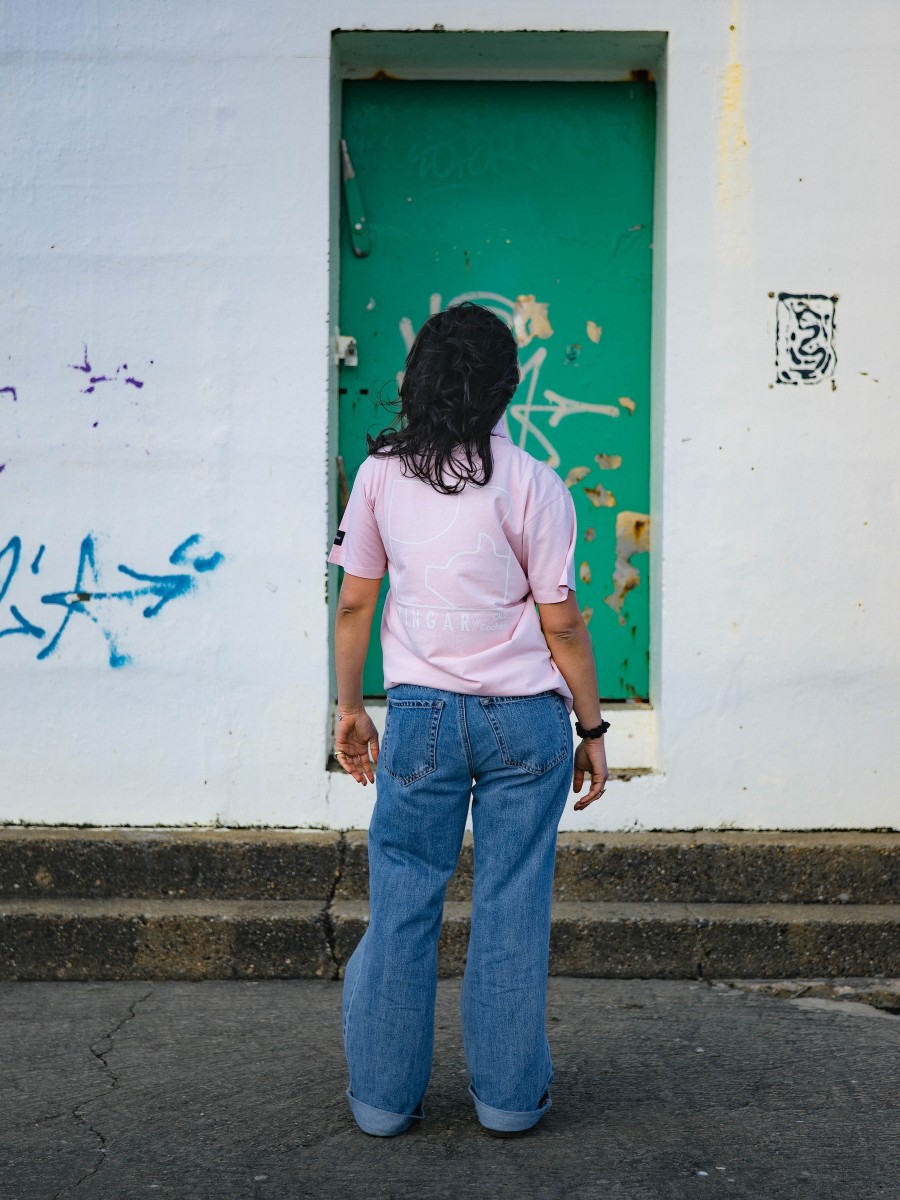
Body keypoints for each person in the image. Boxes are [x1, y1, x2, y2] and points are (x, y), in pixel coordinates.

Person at [327, 301, 609, 1139]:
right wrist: (592, 731)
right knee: (514, 905)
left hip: (420, 718)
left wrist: (350, 710)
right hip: (526, 725)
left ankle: (382, 1102)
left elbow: (353, 607)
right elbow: (563, 625)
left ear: (417, 381)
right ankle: (509, 1102)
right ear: (507, 389)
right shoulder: (535, 484)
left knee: (404, 902)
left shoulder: (379, 475)